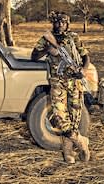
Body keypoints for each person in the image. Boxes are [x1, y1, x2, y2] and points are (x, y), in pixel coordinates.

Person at [31, 12, 91, 164]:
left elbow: (85, 56)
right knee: (59, 116)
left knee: (74, 118)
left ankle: (68, 151)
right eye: (57, 22)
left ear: (68, 23)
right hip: (57, 82)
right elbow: (34, 56)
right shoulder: (47, 38)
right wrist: (48, 50)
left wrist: (83, 70)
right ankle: (81, 141)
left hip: (74, 82)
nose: (60, 25)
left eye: (63, 22)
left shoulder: (74, 37)